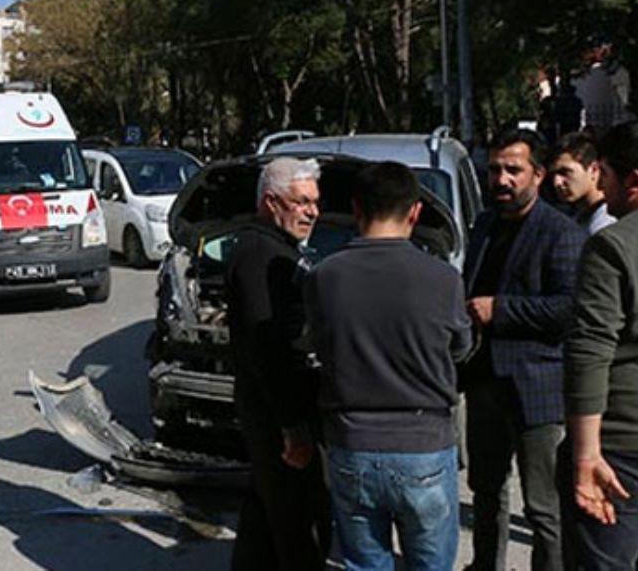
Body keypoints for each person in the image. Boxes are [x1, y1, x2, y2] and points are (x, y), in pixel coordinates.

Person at [305, 162, 473, 570]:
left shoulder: (323, 276)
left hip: (352, 444)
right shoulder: (442, 278)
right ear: (414, 212)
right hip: (424, 446)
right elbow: (461, 348)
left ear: (356, 208)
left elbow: (315, 347)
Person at [462, 129, 587, 571]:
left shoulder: (560, 232)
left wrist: (502, 309)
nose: (502, 179)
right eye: (495, 169)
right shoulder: (484, 224)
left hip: (535, 387)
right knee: (486, 491)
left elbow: (567, 309)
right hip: (482, 382)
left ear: (537, 174)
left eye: (513, 170)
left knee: (542, 507)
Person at [226, 157, 330, 571]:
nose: (312, 212)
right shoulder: (259, 254)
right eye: (302, 202)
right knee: (298, 529)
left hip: (275, 410)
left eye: (315, 202)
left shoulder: (277, 249)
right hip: (276, 415)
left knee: (266, 520)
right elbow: (265, 347)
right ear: (272, 203)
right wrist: (291, 425)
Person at [565, 121, 638, 569]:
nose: (601, 186)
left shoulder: (612, 246)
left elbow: (590, 350)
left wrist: (585, 453)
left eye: (605, 173)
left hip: (621, 448)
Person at [550, 133, 616, 235]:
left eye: (565, 172)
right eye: (553, 174)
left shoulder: (607, 226)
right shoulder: (575, 217)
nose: (557, 182)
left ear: (593, 170)